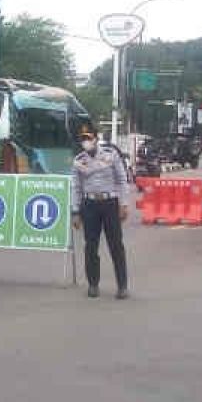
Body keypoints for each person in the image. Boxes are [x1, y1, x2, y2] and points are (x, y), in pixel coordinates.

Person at [71, 124, 130, 300]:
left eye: (88, 138)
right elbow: (76, 187)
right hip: (89, 205)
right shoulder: (79, 160)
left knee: (116, 245)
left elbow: (121, 179)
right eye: (83, 139)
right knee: (90, 246)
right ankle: (93, 284)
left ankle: (122, 286)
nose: (86, 142)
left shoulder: (110, 156)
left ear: (96, 139)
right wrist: (75, 212)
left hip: (110, 203)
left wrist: (124, 204)